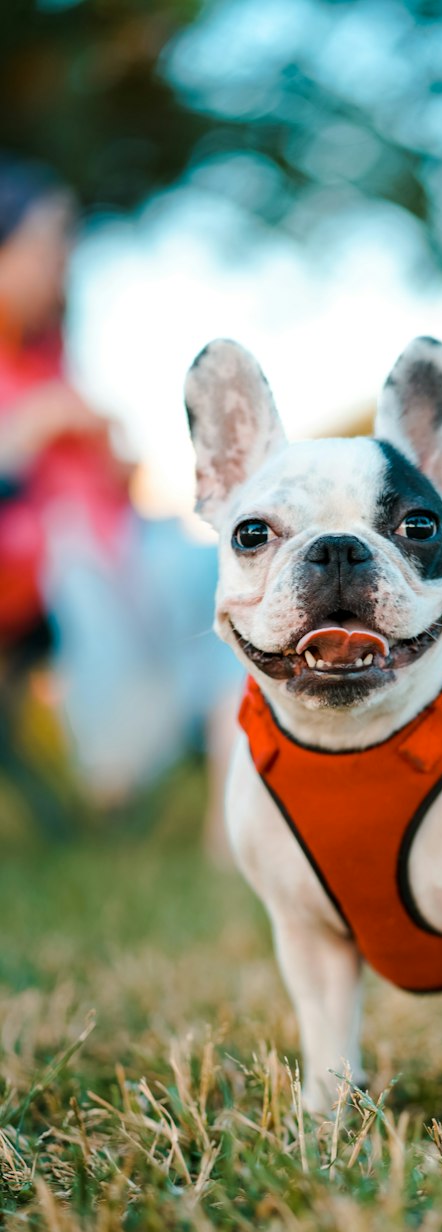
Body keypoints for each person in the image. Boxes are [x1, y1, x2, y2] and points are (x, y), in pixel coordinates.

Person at [0, 154, 238, 826]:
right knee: (186, 576)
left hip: (103, 553)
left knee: (225, 575)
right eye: (48, 245)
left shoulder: (46, 355)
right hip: (31, 575)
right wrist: (23, 434)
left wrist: (115, 468)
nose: (61, 264)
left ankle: (230, 799)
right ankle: (150, 762)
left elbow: (96, 492)